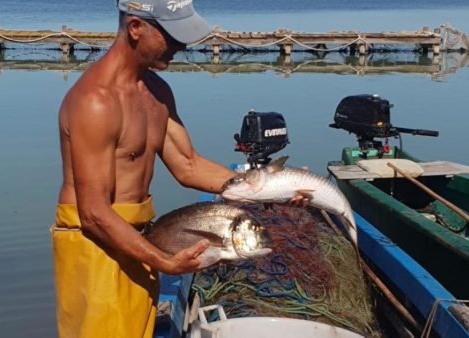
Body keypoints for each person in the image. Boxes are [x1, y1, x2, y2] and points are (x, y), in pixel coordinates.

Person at [51, 1, 307, 337]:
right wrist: (167, 263)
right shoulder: (95, 102)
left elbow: (188, 165)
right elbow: (95, 214)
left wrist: (265, 191)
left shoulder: (156, 92)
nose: (182, 46)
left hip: (140, 241)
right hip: (95, 251)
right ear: (135, 28)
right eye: (172, 35)